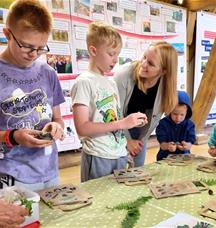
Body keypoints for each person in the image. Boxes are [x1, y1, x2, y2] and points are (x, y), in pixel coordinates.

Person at [0, 0, 65, 191]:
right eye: (27, 46)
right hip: (9, 173)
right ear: (7, 35)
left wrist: (56, 127)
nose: (34, 54)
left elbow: (58, 119)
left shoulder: (48, 72)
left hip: (49, 170)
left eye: (41, 48)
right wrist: (12, 136)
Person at [71, 21, 148, 182]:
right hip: (98, 156)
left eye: (117, 54)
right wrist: (123, 124)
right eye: (111, 54)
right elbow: (82, 128)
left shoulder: (111, 82)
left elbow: (113, 119)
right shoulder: (84, 82)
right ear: (93, 50)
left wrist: (131, 124)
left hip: (118, 154)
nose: (115, 60)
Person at [114, 41, 178, 167]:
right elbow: (116, 113)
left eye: (151, 63)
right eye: (144, 57)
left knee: (138, 171)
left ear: (163, 71)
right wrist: (127, 140)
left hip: (141, 132)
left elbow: (153, 120)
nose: (143, 64)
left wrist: (138, 141)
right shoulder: (123, 75)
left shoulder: (166, 86)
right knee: (118, 171)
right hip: (117, 128)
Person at [156, 91, 196, 161]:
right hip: (164, 158)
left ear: (187, 112)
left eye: (182, 115)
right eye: (175, 114)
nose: (178, 118)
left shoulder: (190, 124)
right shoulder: (163, 124)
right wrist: (168, 146)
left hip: (184, 158)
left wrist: (187, 145)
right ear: (170, 111)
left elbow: (191, 142)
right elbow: (162, 145)